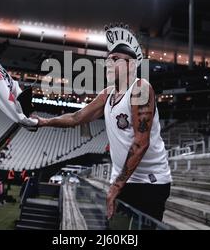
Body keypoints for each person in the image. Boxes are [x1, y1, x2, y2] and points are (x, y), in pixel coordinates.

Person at [32, 24, 172, 222]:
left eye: (115, 60)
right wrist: (43, 122)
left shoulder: (140, 88)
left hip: (150, 182)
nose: (108, 63)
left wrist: (116, 186)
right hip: (126, 180)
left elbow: (141, 143)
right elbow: (76, 118)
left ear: (131, 65)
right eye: (107, 60)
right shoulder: (108, 94)